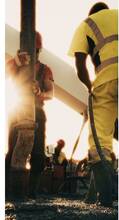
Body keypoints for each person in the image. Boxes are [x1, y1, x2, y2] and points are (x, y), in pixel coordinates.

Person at [68, 2, 118, 207]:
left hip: (105, 82)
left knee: (99, 144)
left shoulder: (86, 24)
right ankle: (96, 196)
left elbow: (80, 66)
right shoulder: (118, 15)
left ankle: (106, 201)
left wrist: (90, 87)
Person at [6, 31, 54, 198]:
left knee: (38, 154)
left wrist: (40, 92)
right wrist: (15, 63)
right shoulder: (14, 65)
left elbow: (51, 93)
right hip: (17, 110)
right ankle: (8, 190)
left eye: (34, 51)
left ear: (38, 52)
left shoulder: (45, 70)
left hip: (37, 112)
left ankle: (32, 191)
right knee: (13, 151)